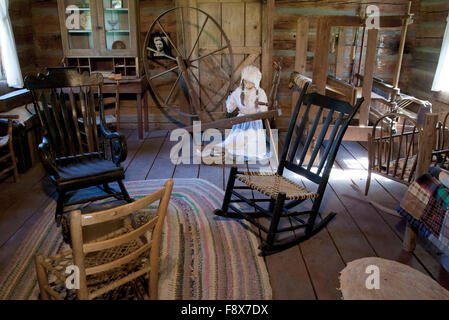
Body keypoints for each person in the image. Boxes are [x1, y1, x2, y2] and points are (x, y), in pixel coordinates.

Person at [206, 65, 271, 164]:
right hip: (241, 121)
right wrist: (230, 102)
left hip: (254, 122)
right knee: (234, 142)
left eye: (249, 81)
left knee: (252, 145)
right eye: (245, 81)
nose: (247, 83)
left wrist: (261, 108)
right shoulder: (239, 92)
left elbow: (264, 110)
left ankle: (247, 150)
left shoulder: (260, 93)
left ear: (255, 82)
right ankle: (224, 150)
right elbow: (230, 107)